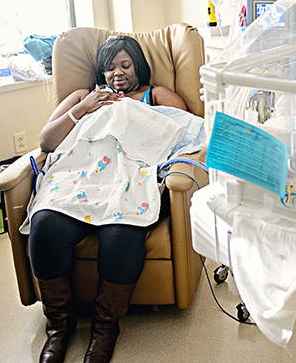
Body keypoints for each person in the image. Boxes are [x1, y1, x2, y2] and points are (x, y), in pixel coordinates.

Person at [30, 35, 187, 363]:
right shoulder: (82, 96)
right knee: (44, 224)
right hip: (78, 178)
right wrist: (86, 108)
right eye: (110, 67)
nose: (118, 73)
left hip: (128, 182)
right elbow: (46, 142)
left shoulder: (154, 94)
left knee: (123, 232)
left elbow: (184, 132)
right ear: (100, 73)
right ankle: (59, 325)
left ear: (138, 67)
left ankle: (105, 328)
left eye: (125, 65)